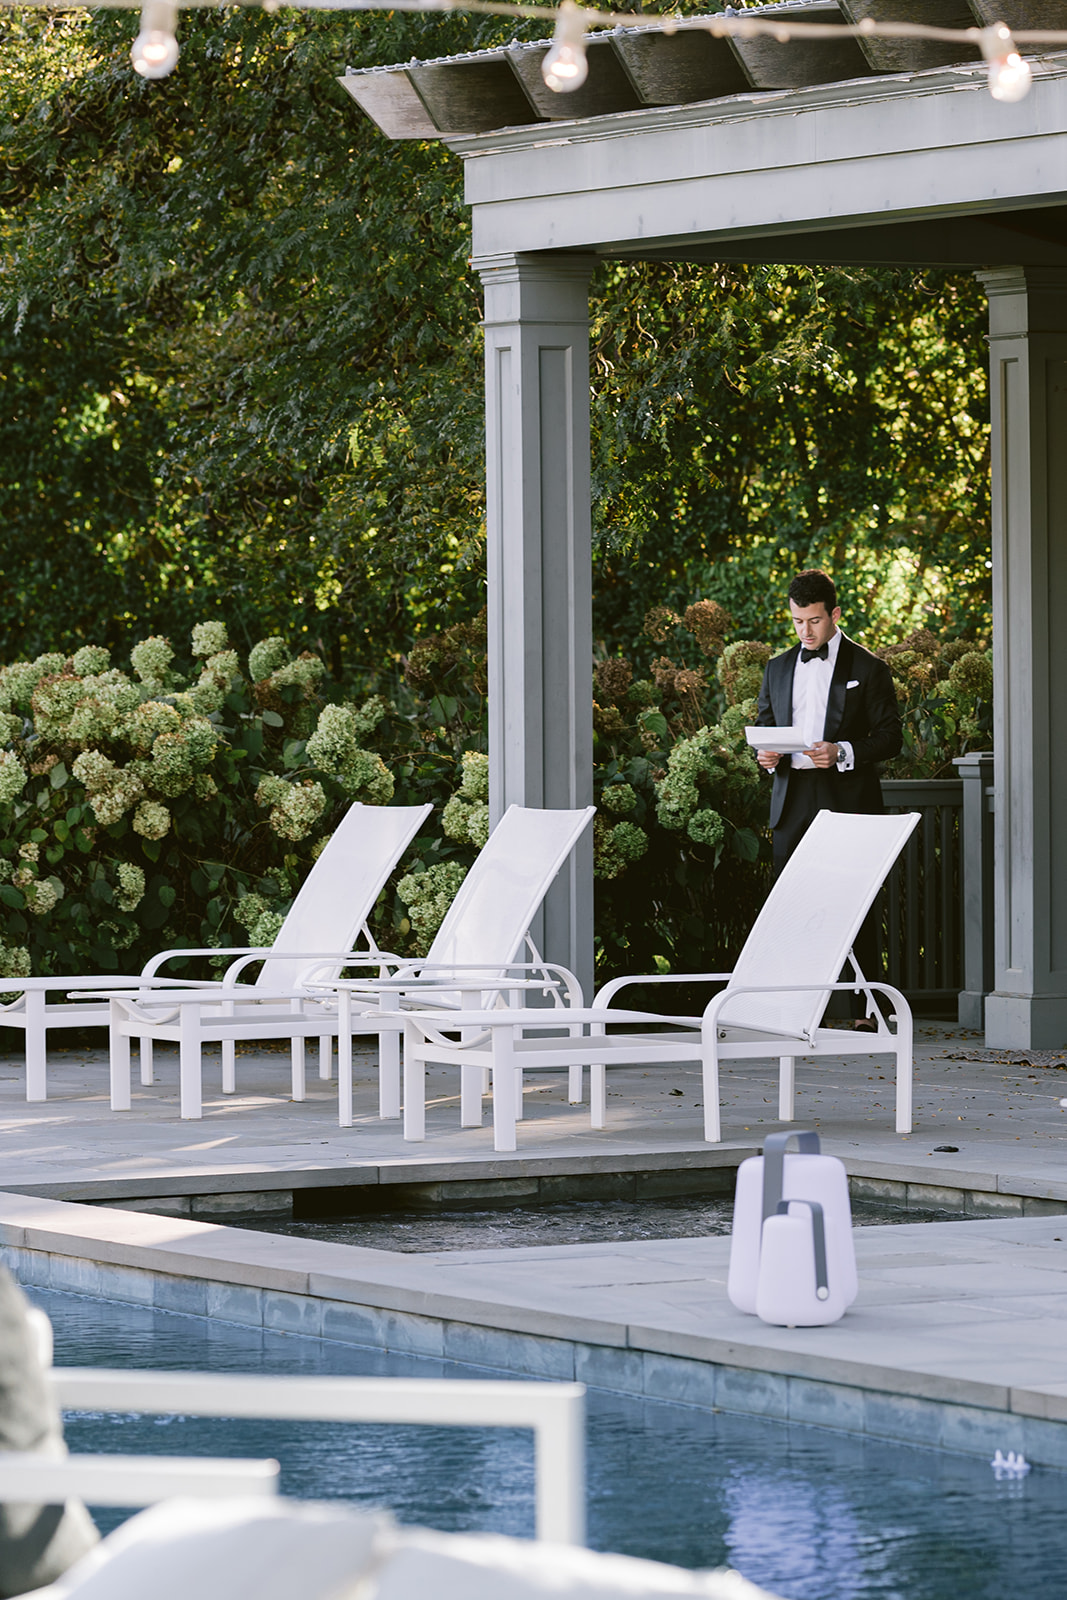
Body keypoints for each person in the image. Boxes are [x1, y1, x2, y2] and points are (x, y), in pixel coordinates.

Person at [754, 568, 902, 1026]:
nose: (805, 631)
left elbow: (892, 739)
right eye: (797, 622)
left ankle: (867, 1009)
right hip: (791, 798)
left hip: (848, 800)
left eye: (814, 621)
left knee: (854, 904)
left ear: (834, 614)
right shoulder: (777, 667)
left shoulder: (869, 667)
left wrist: (843, 752)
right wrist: (767, 757)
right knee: (790, 905)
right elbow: (765, 724)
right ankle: (791, 1009)